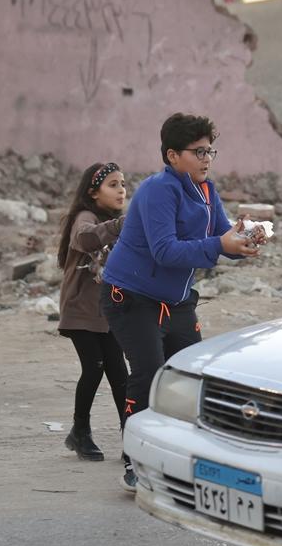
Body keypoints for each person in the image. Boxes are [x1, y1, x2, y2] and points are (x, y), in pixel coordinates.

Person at [101, 113, 264, 491]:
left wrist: (243, 241)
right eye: (198, 152)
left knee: (190, 376)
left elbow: (222, 235)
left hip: (175, 302)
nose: (207, 159)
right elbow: (164, 250)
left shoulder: (206, 190)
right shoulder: (159, 190)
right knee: (149, 374)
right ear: (172, 156)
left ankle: (181, 456)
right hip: (132, 298)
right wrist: (220, 245)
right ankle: (134, 461)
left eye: (210, 151)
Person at [56, 162, 129, 461]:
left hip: (108, 311)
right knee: (94, 367)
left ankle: (133, 438)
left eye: (123, 183)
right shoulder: (86, 217)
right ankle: (80, 431)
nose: (121, 189)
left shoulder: (118, 219)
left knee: (120, 376)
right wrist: (119, 226)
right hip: (80, 311)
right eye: (113, 184)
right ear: (93, 192)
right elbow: (85, 238)